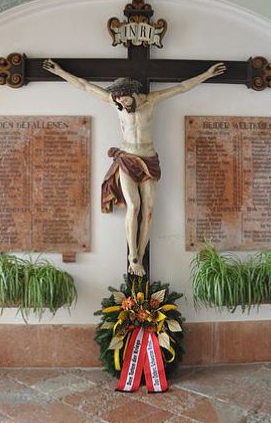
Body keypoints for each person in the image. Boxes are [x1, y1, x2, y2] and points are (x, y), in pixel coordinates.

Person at [42, 59, 226, 276]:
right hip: (127, 159)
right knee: (134, 206)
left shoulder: (151, 100)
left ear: (132, 93)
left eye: (123, 98)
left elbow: (182, 87)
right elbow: (85, 86)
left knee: (148, 211)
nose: (120, 103)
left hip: (149, 160)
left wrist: (207, 74)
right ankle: (133, 256)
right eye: (117, 99)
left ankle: (139, 253)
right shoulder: (116, 103)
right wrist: (60, 71)